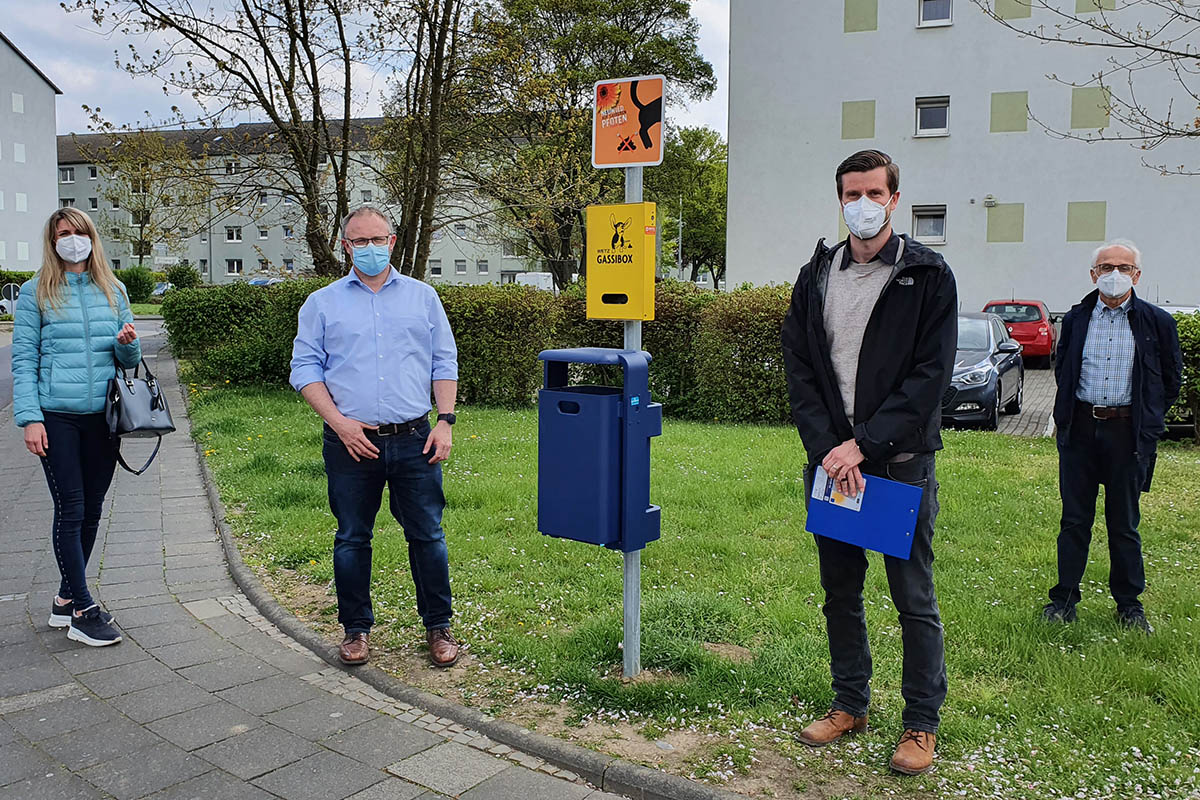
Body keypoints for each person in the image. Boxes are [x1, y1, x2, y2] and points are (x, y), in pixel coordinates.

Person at [780, 150, 957, 775]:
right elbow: (800, 367)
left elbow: (930, 377)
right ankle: (850, 702)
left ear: (893, 200)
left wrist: (866, 445)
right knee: (840, 593)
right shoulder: (817, 274)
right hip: (833, 463)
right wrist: (830, 447)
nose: (862, 203)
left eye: (873, 193)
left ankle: (920, 724)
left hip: (898, 462)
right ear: (840, 199)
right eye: (851, 193)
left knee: (913, 596)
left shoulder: (927, 275)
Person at [290, 205, 461, 668]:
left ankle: (438, 627)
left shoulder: (423, 298)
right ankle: (356, 630)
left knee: (427, 535)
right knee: (351, 538)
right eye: (358, 241)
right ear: (345, 246)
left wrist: (445, 421)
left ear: (392, 241)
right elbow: (304, 368)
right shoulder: (322, 303)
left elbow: (444, 362)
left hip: (415, 439)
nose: (369, 248)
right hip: (350, 441)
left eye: (377, 239)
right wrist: (340, 423)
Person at [12, 208, 141, 648]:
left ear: (92, 237)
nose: (72, 240)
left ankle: (65, 597)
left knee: (92, 507)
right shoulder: (36, 293)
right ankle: (84, 610)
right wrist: (30, 417)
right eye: (63, 234)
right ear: (52, 242)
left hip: (102, 416)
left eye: (78, 232)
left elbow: (126, 362)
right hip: (57, 416)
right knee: (71, 507)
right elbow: (24, 360)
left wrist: (130, 344)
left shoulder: (113, 288)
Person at [1043, 240, 1182, 632]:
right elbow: (1064, 371)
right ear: (1093, 275)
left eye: (1123, 267)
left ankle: (1129, 606)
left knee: (1124, 523)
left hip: (1128, 434)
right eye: (1105, 267)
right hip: (1081, 431)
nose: (1114, 274)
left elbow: (1169, 381)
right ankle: (1064, 600)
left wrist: (1148, 419)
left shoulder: (1157, 323)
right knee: (1074, 520)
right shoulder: (1075, 320)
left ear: (1137, 275)